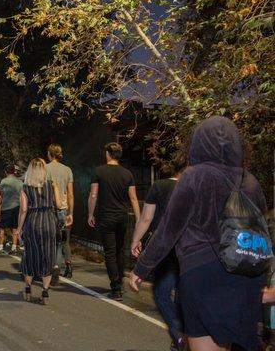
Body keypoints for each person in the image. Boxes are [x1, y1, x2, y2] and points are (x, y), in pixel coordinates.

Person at [130, 116, 269, 351]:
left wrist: (142, 267)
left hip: (205, 275)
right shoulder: (250, 181)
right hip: (247, 276)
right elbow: (263, 228)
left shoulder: (195, 176)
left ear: (197, 144)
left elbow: (168, 230)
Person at [130, 163, 185, 351]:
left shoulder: (160, 186)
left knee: (162, 294)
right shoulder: (198, 187)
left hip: (165, 249)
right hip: (191, 250)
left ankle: (179, 336)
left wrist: (136, 240)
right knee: (182, 293)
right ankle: (182, 336)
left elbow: (146, 218)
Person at [88, 142, 141, 300]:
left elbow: (93, 195)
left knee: (110, 252)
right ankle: (120, 282)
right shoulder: (127, 174)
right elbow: (133, 198)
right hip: (122, 216)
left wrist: (90, 214)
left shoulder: (99, 171)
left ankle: (115, 287)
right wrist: (138, 218)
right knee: (119, 250)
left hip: (106, 216)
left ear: (108, 154)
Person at [17, 158, 62, 305]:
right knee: (47, 255)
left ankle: (28, 288)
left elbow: (23, 210)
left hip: (33, 221)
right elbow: (60, 204)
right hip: (49, 222)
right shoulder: (52, 184)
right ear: (44, 170)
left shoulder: (25, 187)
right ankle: (45, 291)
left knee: (30, 254)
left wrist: (18, 228)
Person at [46, 144, 75, 283]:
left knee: (51, 241)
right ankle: (68, 265)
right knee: (63, 239)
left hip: (49, 210)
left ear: (49, 154)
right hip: (63, 210)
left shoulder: (45, 169)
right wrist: (71, 212)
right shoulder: (67, 170)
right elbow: (70, 194)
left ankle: (53, 268)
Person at [0, 164, 23, 254]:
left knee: (1, 227)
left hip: (5, 206)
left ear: (6, 171)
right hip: (16, 206)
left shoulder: (3, 182)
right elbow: (22, 196)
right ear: (14, 171)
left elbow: (1, 195)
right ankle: (14, 247)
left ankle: (0, 246)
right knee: (15, 227)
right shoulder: (20, 182)